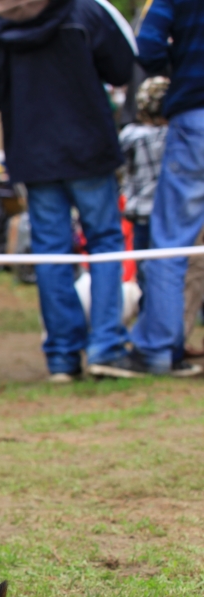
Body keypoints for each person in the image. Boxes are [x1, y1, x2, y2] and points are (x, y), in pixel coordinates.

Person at [0, 0, 137, 382]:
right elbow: (121, 68)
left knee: (51, 251)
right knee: (103, 244)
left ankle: (63, 356)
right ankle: (106, 347)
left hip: (33, 150)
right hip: (87, 146)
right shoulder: (84, 13)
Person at [129, 0, 204, 376]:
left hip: (196, 113)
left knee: (172, 241)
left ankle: (156, 349)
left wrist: (175, 67)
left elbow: (148, 45)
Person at [119, 77, 169, 259]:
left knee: (144, 263)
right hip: (171, 213)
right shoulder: (174, 136)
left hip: (141, 211)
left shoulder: (129, 136)